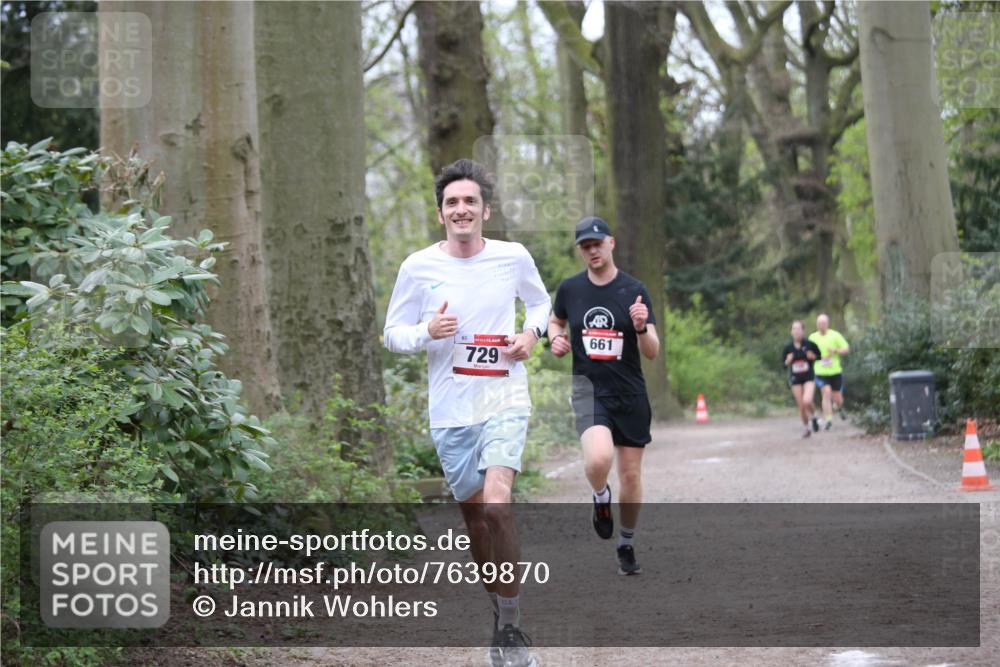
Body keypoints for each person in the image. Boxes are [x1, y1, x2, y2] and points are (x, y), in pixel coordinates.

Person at [383, 159, 547, 667]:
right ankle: (499, 613)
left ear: (485, 210)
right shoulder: (417, 267)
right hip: (451, 412)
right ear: (440, 214)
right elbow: (392, 333)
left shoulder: (511, 256)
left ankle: (515, 627)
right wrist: (425, 333)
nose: (461, 209)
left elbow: (541, 306)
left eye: (469, 202)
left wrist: (529, 335)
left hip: (503, 397)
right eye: (452, 202)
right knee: (477, 525)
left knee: (498, 505)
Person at [548, 217, 660, 576]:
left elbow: (653, 351)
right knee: (597, 461)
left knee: (630, 475)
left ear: (611, 243)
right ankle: (600, 497)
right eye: (585, 246)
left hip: (629, 391)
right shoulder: (570, 289)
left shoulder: (634, 290)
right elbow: (556, 321)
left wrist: (641, 327)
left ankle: (626, 542)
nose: (592, 250)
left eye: (597, 243)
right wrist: (555, 339)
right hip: (589, 390)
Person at [808, 313, 850, 431]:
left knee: (838, 398)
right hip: (820, 372)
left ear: (827, 324)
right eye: (819, 323)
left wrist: (835, 350)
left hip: (835, 371)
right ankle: (829, 420)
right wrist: (813, 356)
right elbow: (808, 353)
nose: (821, 325)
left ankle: (839, 407)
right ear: (817, 324)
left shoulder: (835, 335)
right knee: (826, 393)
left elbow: (846, 349)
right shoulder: (812, 337)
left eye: (823, 323)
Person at [783, 320, 821, 438]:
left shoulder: (810, 344)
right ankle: (806, 428)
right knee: (801, 406)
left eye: (798, 329)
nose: (796, 331)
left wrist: (813, 356)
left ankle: (814, 416)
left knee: (807, 401)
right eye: (794, 329)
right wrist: (787, 361)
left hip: (808, 377)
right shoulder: (788, 348)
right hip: (795, 378)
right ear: (791, 332)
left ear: (803, 331)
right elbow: (783, 365)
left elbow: (819, 356)